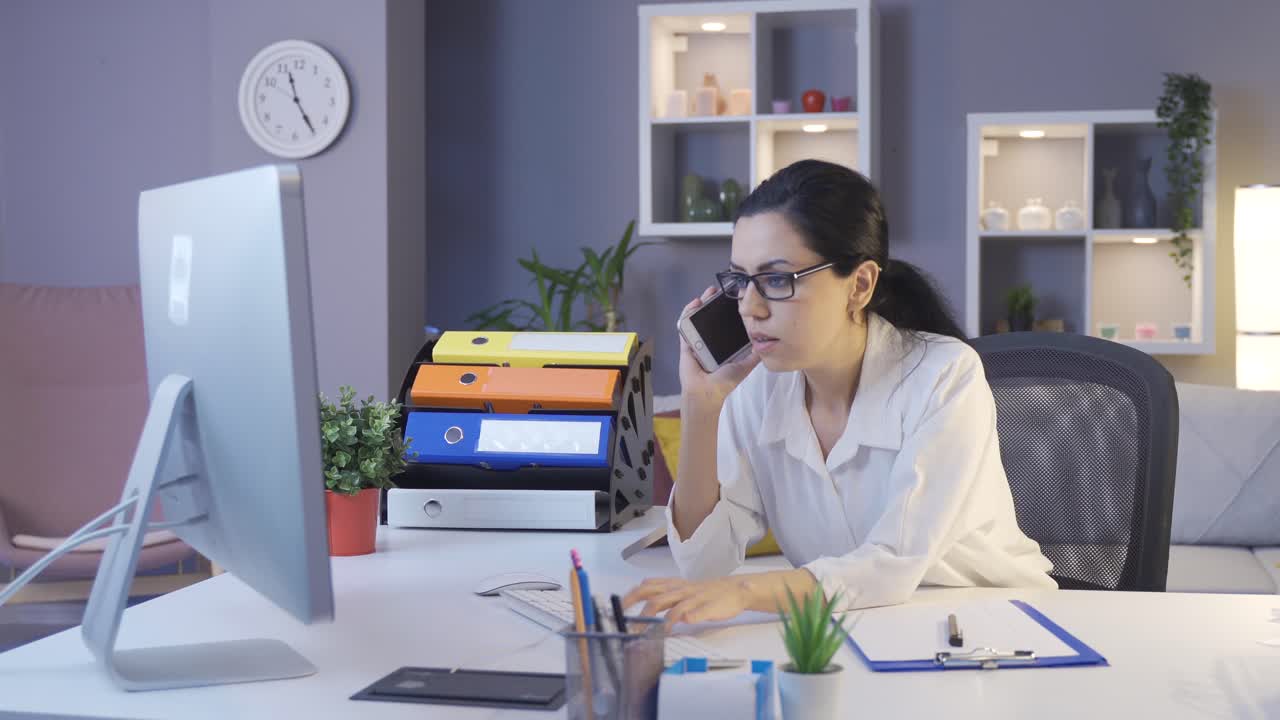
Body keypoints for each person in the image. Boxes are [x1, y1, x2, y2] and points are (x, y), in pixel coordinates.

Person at [622, 160, 1056, 626]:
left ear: (860, 284)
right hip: (854, 625)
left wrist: (746, 591)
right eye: (740, 280)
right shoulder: (757, 387)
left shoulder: (944, 375)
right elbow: (702, 565)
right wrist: (701, 405)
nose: (749, 306)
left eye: (775, 279)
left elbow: (893, 561)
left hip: (996, 625)